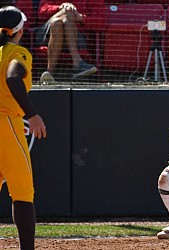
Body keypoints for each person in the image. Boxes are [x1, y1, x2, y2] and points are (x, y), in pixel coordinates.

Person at [0, 6, 47, 249]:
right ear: (18, 30)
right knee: (22, 193)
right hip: (7, 123)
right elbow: (12, 77)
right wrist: (33, 114)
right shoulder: (17, 52)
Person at [37, 0, 106, 83]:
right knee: (65, 13)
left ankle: (49, 72)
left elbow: (100, 23)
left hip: (78, 38)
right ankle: (77, 63)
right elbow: (41, 13)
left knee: (58, 22)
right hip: (46, 35)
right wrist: (59, 8)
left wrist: (81, 18)